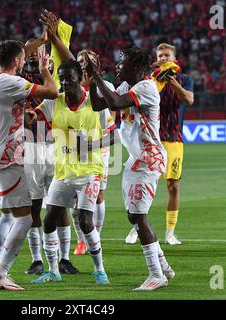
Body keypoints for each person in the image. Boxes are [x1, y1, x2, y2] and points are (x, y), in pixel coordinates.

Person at [87, 46, 175, 291]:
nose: (117, 66)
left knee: (138, 216)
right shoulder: (127, 87)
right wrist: (93, 80)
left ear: (135, 67)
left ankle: (156, 275)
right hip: (136, 159)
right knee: (134, 215)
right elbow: (97, 105)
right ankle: (163, 266)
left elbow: (114, 104)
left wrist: (97, 76)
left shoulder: (146, 88)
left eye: (122, 62)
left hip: (148, 158)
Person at [29, 59, 118, 285]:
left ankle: (100, 270)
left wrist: (90, 145)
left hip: (90, 171)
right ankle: (53, 270)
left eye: (69, 77)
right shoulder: (54, 102)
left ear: (79, 78)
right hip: (63, 172)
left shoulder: (95, 103)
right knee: (49, 220)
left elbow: (114, 135)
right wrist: (29, 115)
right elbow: (35, 116)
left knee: (85, 220)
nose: (65, 82)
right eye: (62, 78)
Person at [0, 40, 58, 291]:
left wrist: (23, 115)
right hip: (6, 161)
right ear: (16, 61)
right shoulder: (11, 82)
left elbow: (0, 109)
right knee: (24, 219)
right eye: (23, 58)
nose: (25, 62)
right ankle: (1, 273)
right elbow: (53, 91)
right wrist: (45, 69)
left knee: (6, 215)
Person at [22, 10, 79, 276]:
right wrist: (43, 37)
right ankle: (36, 259)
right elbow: (26, 48)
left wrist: (54, 38)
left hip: (58, 148)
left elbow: (69, 59)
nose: (41, 54)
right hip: (31, 147)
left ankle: (64, 258)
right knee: (34, 204)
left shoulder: (63, 78)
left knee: (60, 204)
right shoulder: (26, 77)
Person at [125, 43, 194, 246]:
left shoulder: (183, 79)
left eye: (167, 55)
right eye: (160, 55)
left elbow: (188, 100)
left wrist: (171, 81)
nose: (164, 58)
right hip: (148, 140)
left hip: (173, 140)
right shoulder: (148, 81)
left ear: (174, 58)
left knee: (173, 186)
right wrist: (155, 77)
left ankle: (170, 232)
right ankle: (136, 228)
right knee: (144, 185)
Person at [71, 49, 116, 255]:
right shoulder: (71, 86)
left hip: (99, 148)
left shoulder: (105, 87)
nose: (83, 63)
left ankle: (95, 237)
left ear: (96, 62)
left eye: (87, 60)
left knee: (97, 195)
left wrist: (94, 144)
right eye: (80, 60)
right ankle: (81, 240)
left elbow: (111, 124)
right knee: (73, 196)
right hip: (73, 149)